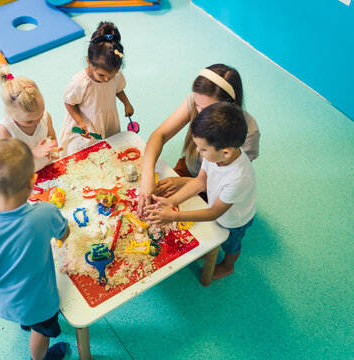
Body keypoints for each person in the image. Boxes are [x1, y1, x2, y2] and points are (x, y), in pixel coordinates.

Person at [0, 138, 71, 360]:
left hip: (4, 302)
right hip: (40, 303)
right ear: (33, 181)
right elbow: (65, 233)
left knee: (30, 319)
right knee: (42, 331)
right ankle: (38, 358)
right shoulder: (46, 213)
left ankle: (26, 323)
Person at [144, 102, 256, 280]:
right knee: (214, 233)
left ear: (226, 153)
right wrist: (172, 202)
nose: (198, 151)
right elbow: (200, 182)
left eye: (202, 149)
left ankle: (228, 266)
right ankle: (213, 251)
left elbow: (214, 213)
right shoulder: (214, 154)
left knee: (231, 245)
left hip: (235, 219)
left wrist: (172, 216)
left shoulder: (239, 178)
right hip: (217, 204)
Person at [138, 64, 259, 214]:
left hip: (216, 188)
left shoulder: (249, 133)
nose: (199, 112)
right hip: (191, 171)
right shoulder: (199, 102)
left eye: (206, 108)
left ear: (229, 105)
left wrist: (183, 182)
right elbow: (159, 135)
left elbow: (230, 178)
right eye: (197, 105)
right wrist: (147, 174)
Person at [59, 21, 134, 157]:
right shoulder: (80, 83)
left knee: (108, 148)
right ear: (89, 62)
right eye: (102, 75)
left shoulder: (115, 76)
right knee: (87, 153)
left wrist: (127, 104)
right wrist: (80, 121)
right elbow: (69, 103)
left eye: (111, 76)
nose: (107, 80)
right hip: (87, 123)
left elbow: (118, 89)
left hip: (107, 119)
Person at [0, 66, 62, 172]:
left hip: (46, 168)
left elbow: (52, 138)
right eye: (29, 121)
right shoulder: (6, 129)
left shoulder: (46, 116)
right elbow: (8, 160)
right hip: (24, 176)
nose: (37, 122)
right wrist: (33, 154)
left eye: (40, 114)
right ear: (10, 113)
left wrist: (52, 148)